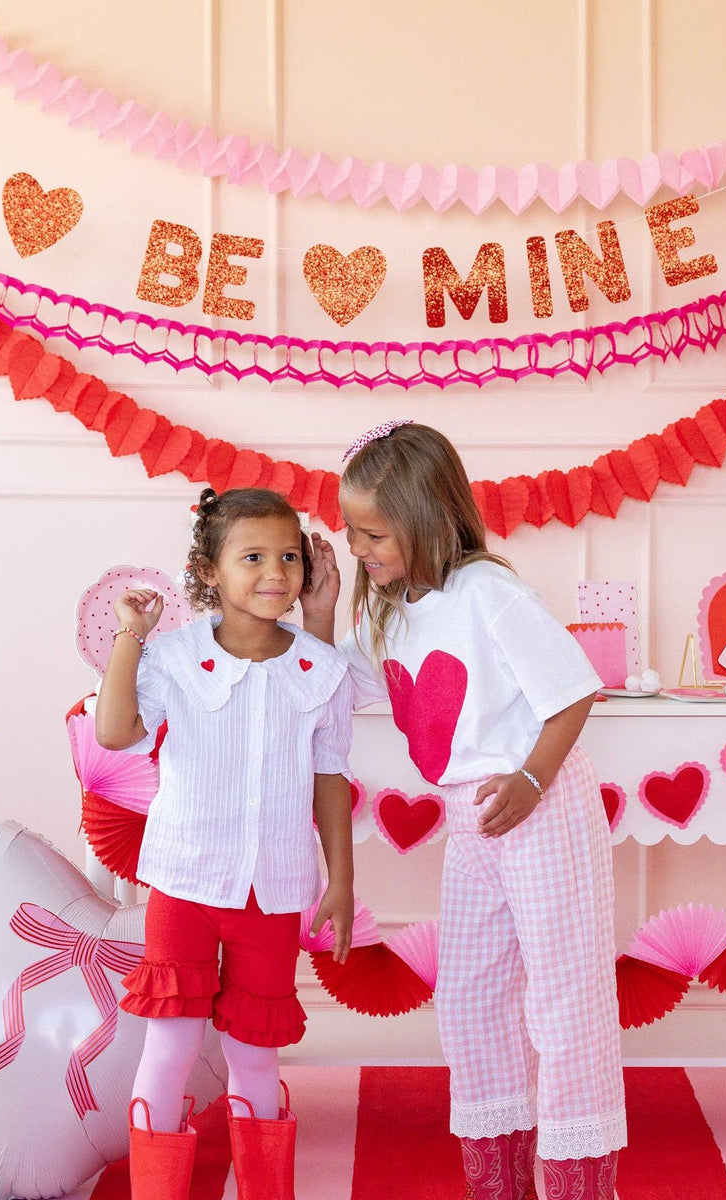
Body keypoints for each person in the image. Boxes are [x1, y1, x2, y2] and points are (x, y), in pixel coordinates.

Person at [303, 421, 624, 1200]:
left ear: (425, 516)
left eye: (374, 533)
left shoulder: (488, 594)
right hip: (471, 821)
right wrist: (323, 613)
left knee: (562, 996)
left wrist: (532, 780)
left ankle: (580, 1185)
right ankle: (502, 1182)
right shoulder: (391, 612)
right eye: (352, 532)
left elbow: (574, 688)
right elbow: (333, 685)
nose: (360, 547)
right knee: (473, 994)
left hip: (536, 808)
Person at [96, 487, 355, 1200]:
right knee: (171, 1045)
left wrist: (342, 880)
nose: (275, 572)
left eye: (289, 557)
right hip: (185, 884)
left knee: (255, 1056)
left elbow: (330, 778)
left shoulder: (321, 669)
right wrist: (131, 635)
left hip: (272, 891)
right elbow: (115, 732)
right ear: (209, 570)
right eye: (252, 557)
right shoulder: (172, 657)